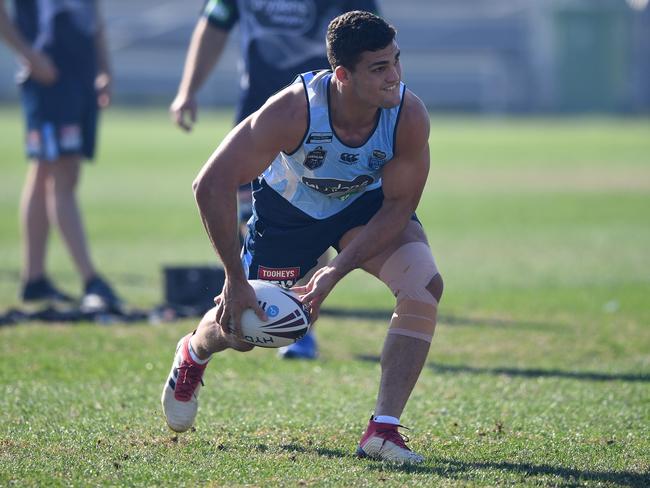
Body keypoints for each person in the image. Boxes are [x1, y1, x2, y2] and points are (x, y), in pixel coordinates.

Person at [162, 11, 443, 464]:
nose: (394, 77)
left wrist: (334, 270)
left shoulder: (407, 114)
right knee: (246, 332)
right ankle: (194, 351)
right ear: (342, 76)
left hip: (362, 207)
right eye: (379, 68)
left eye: (396, 62)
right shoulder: (293, 109)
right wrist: (234, 279)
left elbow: (398, 206)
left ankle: (383, 430)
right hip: (289, 214)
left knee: (424, 286)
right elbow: (210, 184)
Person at [170, 0, 378, 359]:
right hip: (260, 115)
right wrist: (188, 89)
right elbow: (213, 25)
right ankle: (252, 301)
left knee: (315, 217)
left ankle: (301, 325)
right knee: (247, 219)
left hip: (323, 120)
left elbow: (371, 43)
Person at [0, 0, 121, 312]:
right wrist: (28, 55)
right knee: (63, 174)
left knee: (44, 172)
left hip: (80, 75)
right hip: (49, 77)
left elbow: (93, 15)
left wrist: (104, 67)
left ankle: (34, 279)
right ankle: (90, 277)